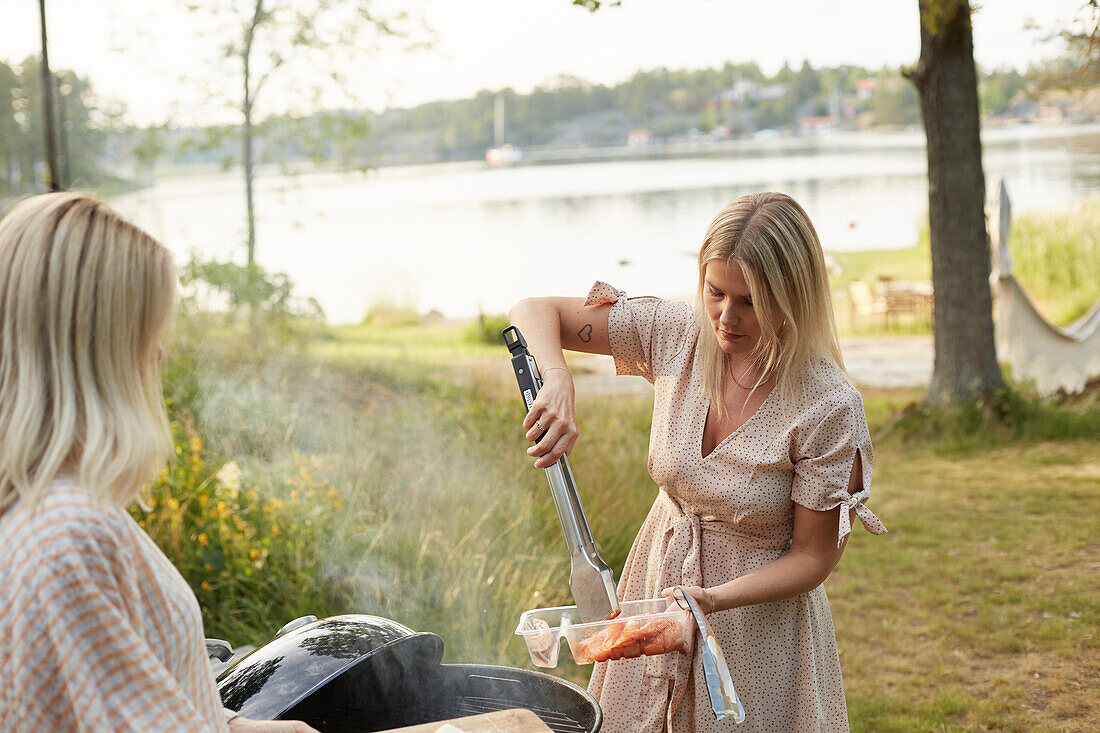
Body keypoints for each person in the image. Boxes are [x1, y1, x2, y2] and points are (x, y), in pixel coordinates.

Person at [508, 192, 887, 732]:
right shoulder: (675, 334)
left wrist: (708, 602)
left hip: (757, 625)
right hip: (657, 590)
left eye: (751, 301)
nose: (726, 318)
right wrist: (558, 376)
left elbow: (812, 555)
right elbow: (531, 311)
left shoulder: (826, 404)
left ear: (794, 297)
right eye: (716, 292)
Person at [0, 192, 317, 733]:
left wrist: (238, 727)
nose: (158, 355)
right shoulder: (68, 536)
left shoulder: (54, 509)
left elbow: (114, 696)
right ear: (95, 349)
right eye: (147, 333)